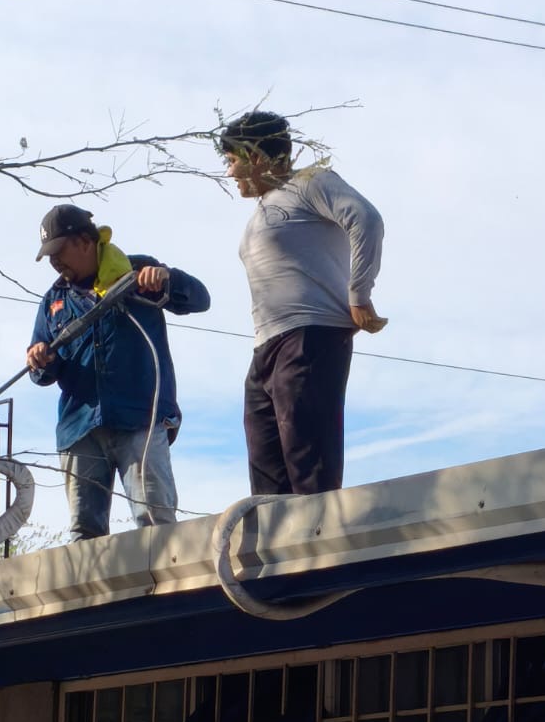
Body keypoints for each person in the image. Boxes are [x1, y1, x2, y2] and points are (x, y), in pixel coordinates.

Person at [218, 110, 385, 496]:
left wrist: (359, 293)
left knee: (309, 465)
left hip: (310, 336)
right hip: (266, 346)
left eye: (231, 160)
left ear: (256, 155)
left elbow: (366, 219)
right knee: (267, 481)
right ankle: (280, 553)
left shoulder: (311, 181)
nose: (229, 173)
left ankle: (324, 552)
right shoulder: (261, 211)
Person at [26, 203, 210, 540]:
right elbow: (41, 374)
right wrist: (40, 359)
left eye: (58, 250)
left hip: (140, 417)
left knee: (155, 521)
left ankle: (168, 591)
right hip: (79, 427)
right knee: (84, 531)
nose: (54, 261)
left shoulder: (137, 272)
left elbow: (200, 299)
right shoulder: (53, 301)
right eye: (49, 254)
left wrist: (167, 278)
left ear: (84, 241)